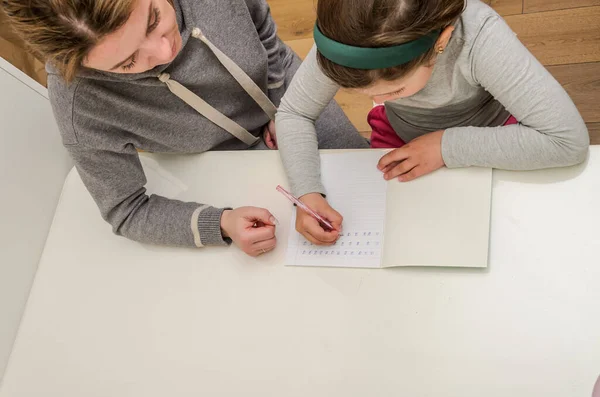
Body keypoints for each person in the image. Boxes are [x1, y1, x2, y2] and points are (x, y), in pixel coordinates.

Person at [1, 0, 369, 256]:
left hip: (290, 96)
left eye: (153, 19)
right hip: (223, 163)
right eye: (129, 62)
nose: (164, 53)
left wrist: (277, 98)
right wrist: (219, 223)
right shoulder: (79, 105)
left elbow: (261, 24)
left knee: (371, 195)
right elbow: (126, 210)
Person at [276, 0, 589, 246]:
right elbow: (293, 113)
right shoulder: (348, 39)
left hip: (489, 131)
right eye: (362, 94)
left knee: (504, 230)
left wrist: (445, 146)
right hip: (402, 132)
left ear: (443, 40)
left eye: (393, 91)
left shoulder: (479, 36)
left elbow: (566, 141)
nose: (376, 101)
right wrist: (306, 192)